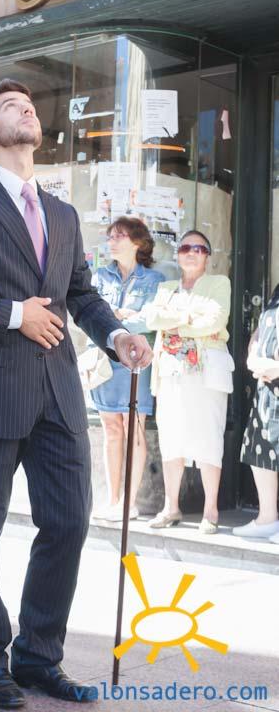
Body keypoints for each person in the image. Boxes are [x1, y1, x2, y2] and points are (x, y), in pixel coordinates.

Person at [0, 78, 152, 709]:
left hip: (59, 391)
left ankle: (37, 655)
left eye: (29, 103)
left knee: (69, 522)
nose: (26, 108)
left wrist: (118, 336)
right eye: (9, 105)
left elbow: (80, 294)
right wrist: (11, 313)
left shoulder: (63, 213)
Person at [146, 230, 233, 534]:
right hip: (171, 372)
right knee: (171, 439)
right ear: (178, 254)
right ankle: (171, 507)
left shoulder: (219, 283)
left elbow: (215, 321)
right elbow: (153, 320)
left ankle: (211, 510)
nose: (191, 252)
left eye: (199, 248)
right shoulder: (166, 287)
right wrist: (191, 316)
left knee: (209, 438)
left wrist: (176, 321)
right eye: (185, 248)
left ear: (207, 256)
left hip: (206, 372)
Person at [91, 217, 165, 521]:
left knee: (134, 427)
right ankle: (112, 500)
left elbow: (151, 319)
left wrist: (117, 319)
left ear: (138, 242)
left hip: (136, 361)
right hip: (105, 360)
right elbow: (92, 314)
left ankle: (128, 503)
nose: (112, 241)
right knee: (111, 429)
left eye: (119, 236)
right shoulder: (99, 276)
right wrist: (120, 318)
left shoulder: (155, 279)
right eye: (110, 236)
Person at [233, 284, 279, 542]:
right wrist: (252, 355)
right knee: (261, 451)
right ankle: (267, 518)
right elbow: (261, 330)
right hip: (268, 385)